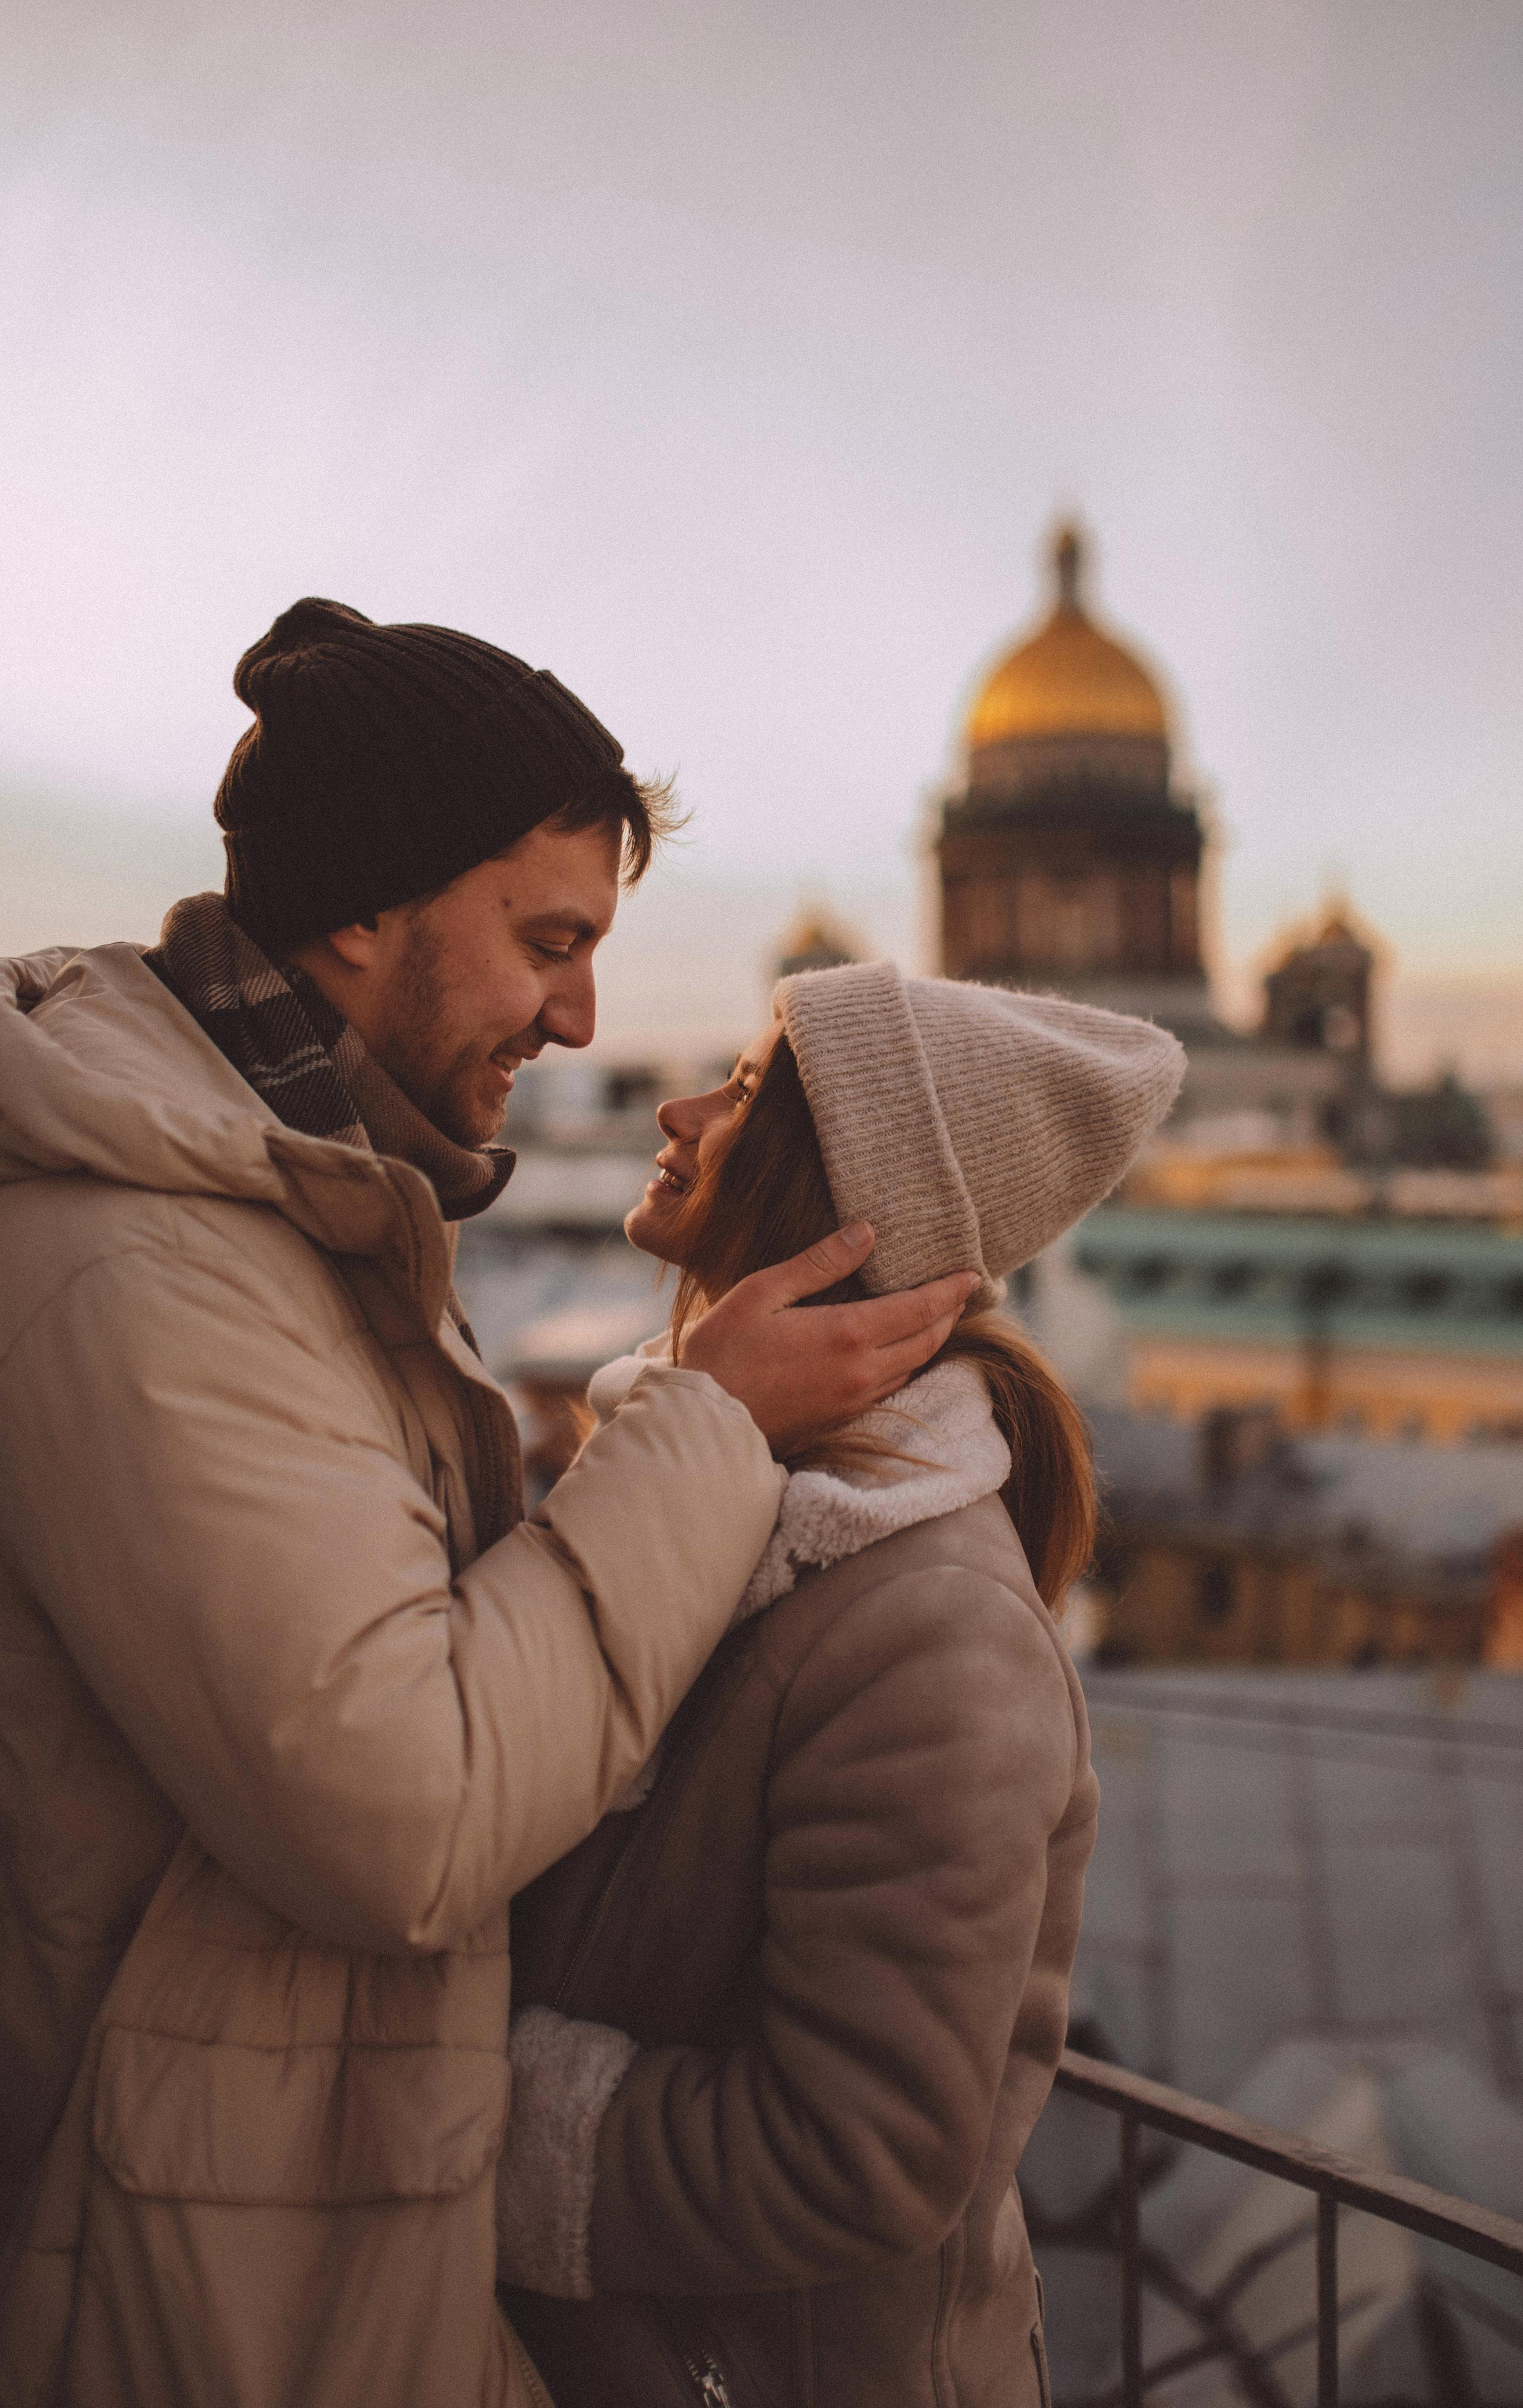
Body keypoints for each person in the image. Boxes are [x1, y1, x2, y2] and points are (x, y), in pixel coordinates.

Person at [0, 600, 977, 2408]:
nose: (590, 1015)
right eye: (548, 940)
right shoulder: (150, 1257)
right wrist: (707, 1425)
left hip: (301, 2212)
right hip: (192, 2282)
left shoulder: (303, 1198)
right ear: (367, 908)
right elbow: (409, 1806)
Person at [494, 960, 1185, 2406]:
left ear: (845, 1191)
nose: (676, 1110)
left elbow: (852, 2154)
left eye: (744, 1093)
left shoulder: (927, 1631)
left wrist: (454, 2111)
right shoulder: (719, 1483)